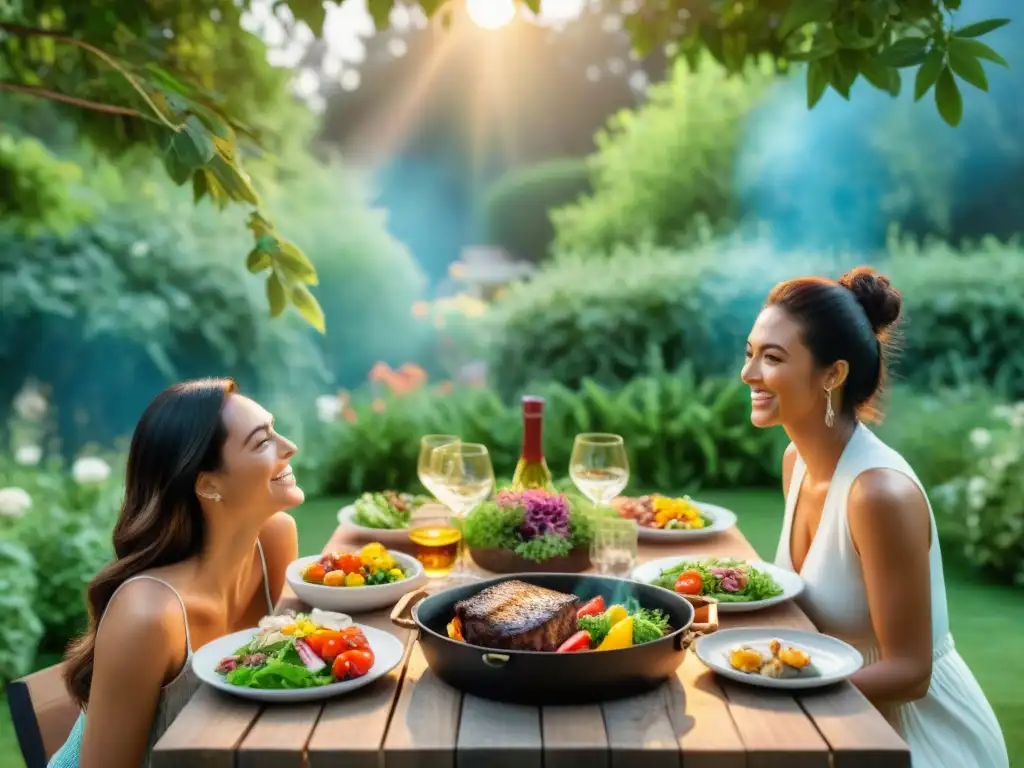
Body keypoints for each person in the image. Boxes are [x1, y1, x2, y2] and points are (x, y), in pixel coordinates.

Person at [740, 266, 1008, 767]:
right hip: (839, 719)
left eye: (772, 357)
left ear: (833, 375)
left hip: (916, 736)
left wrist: (779, 689)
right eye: (750, 352)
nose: (749, 373)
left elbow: (910, 672)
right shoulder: (796, 464)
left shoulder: (878, 494)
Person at [48, 378, 302, 768]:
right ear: (209, 484)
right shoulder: (148, 614)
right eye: (261, 441)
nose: (289, 447)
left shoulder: (274, 539)